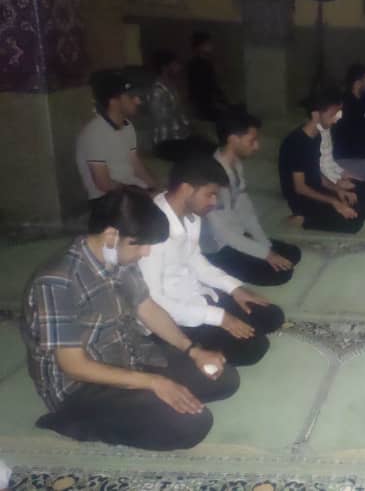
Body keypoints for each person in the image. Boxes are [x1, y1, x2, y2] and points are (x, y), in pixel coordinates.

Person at [21, 187, 239, 450]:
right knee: (192, 424)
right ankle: (71, 421)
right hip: (81, 388)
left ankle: (141, 394)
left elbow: (148, 308)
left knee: (225, 379)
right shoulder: (57, 281)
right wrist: (154, 382)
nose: (146, 252)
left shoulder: (119, 259)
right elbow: (74, 366)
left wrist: (193, 350)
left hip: (129, 357)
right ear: (111, 236)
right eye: (140, 244)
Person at [139, 156, 283, 366]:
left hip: (198, 296)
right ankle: (187, 353)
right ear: (187, 189)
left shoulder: (190, 216)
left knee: (272, 316)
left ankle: (220, 333)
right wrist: (220, 317)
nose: (214, 202)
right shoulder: (151, 229)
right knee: (254, 348)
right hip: (171, 317)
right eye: (210, 194)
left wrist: (235, 289)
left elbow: (196, 260)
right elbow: (154, 301)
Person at [201, 112, 302, 286]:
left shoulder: (235, 164)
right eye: (252, 140)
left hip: (237, 234)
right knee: (281, 274)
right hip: (219, 247)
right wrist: (267, 254)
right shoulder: (213, 178)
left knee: (292, 253)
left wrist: (265, 245)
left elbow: (246, 210)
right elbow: (224, 233)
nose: (257, 146)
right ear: (233, 139)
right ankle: (214, 268)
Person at [279, 85, 365, 233]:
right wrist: (334, 201)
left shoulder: (315, 136)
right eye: (333, 114)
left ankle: (324, 211)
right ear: (316, 115)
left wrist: (338, 189)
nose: (337, 118)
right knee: (354, 223)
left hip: (316, 188)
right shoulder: (296, 142)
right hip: (302, 198)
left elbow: (317, 175)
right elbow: (300, 188)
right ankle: (302, 218)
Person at [76, 70, 161, 202]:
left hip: (130, 192)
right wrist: (143, 195)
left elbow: (135, 163)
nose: (138, 101)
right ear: (113, 101)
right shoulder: (95, 133)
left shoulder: (128, 126)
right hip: (108, 200)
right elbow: (103, 184)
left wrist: (156, 189)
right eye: (131, 97)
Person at [148, 49, 216, 162]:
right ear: (165, 68)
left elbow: (183, 117)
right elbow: (161, 119)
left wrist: (191, 126)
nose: (179, 68)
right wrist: (180, 110)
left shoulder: (172, 86)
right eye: (175, 65)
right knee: (198, 155)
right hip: (166, 142)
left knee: (212, 149)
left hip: (181, 137)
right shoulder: (157, 91)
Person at [187, 32, 230, 121]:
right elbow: (199, 89)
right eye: (208, 44)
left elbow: (213, 85)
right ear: (200, 46)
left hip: (212, 103)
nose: (211, 46)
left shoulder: (207, 63)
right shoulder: (196, 65)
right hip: (206, 106)